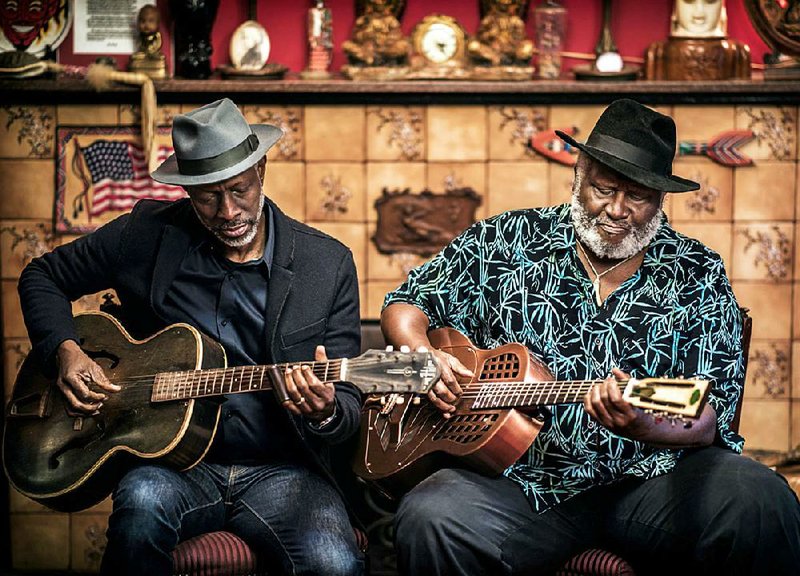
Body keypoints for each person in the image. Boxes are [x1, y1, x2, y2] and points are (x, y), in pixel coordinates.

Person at [381, 99, 800, 575]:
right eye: (603, 188)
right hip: (521, 481)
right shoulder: (504, 239)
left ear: (661, 199)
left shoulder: (696, 272)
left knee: (760, 499)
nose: (616, 210)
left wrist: (643, 425)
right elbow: (407, 302)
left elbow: (708, 416)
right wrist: (420, 354)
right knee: (431, 516)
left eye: (638, 197)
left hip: (652, 482)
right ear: (579, 173)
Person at [18, 98, 364, 576]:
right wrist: (66, 350)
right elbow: (42, 276)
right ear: (187, 190)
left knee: (336, 565)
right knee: (138, 515)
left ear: (261, 167)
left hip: (284, 469)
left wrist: (325, 410)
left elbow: (348, 407)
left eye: (240, 190)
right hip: (172, 467)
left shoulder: (326, 265)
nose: (228, 212)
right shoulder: (145, 235)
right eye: (207, 196)